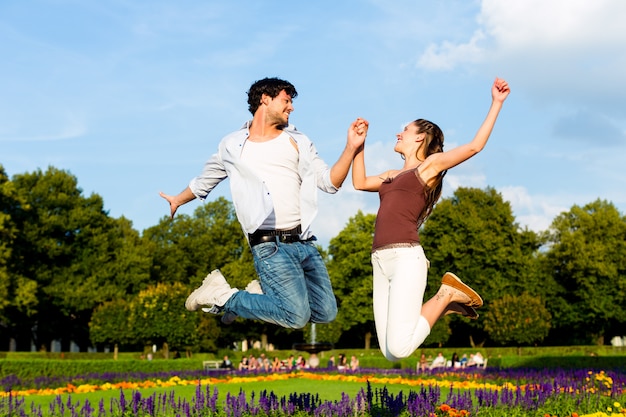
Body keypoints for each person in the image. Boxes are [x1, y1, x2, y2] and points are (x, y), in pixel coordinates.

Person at [160, 77, 367, 328]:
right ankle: (222, 296)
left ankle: (261, 293)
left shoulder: (298, 141)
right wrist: (177, 200)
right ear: (265, 99)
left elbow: (329, 183)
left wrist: (351, 147)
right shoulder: (233, 145)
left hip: (303, 242)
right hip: (270, 245)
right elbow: (205, 181)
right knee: (296, 317)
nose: (291, 107)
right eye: (286, 100)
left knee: (326, 312)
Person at [351, 78, 510, 362]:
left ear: (420, 137)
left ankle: (446, 294)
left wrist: (496, 103)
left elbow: (474, 147)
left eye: (405, 130)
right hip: (379, 259)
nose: (398, 134)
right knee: (390, 353)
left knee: (400, 348)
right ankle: (445, 302)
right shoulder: (391, 174)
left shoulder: (429, 167)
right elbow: (360, 182)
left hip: (405, 257)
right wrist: (358, 146)